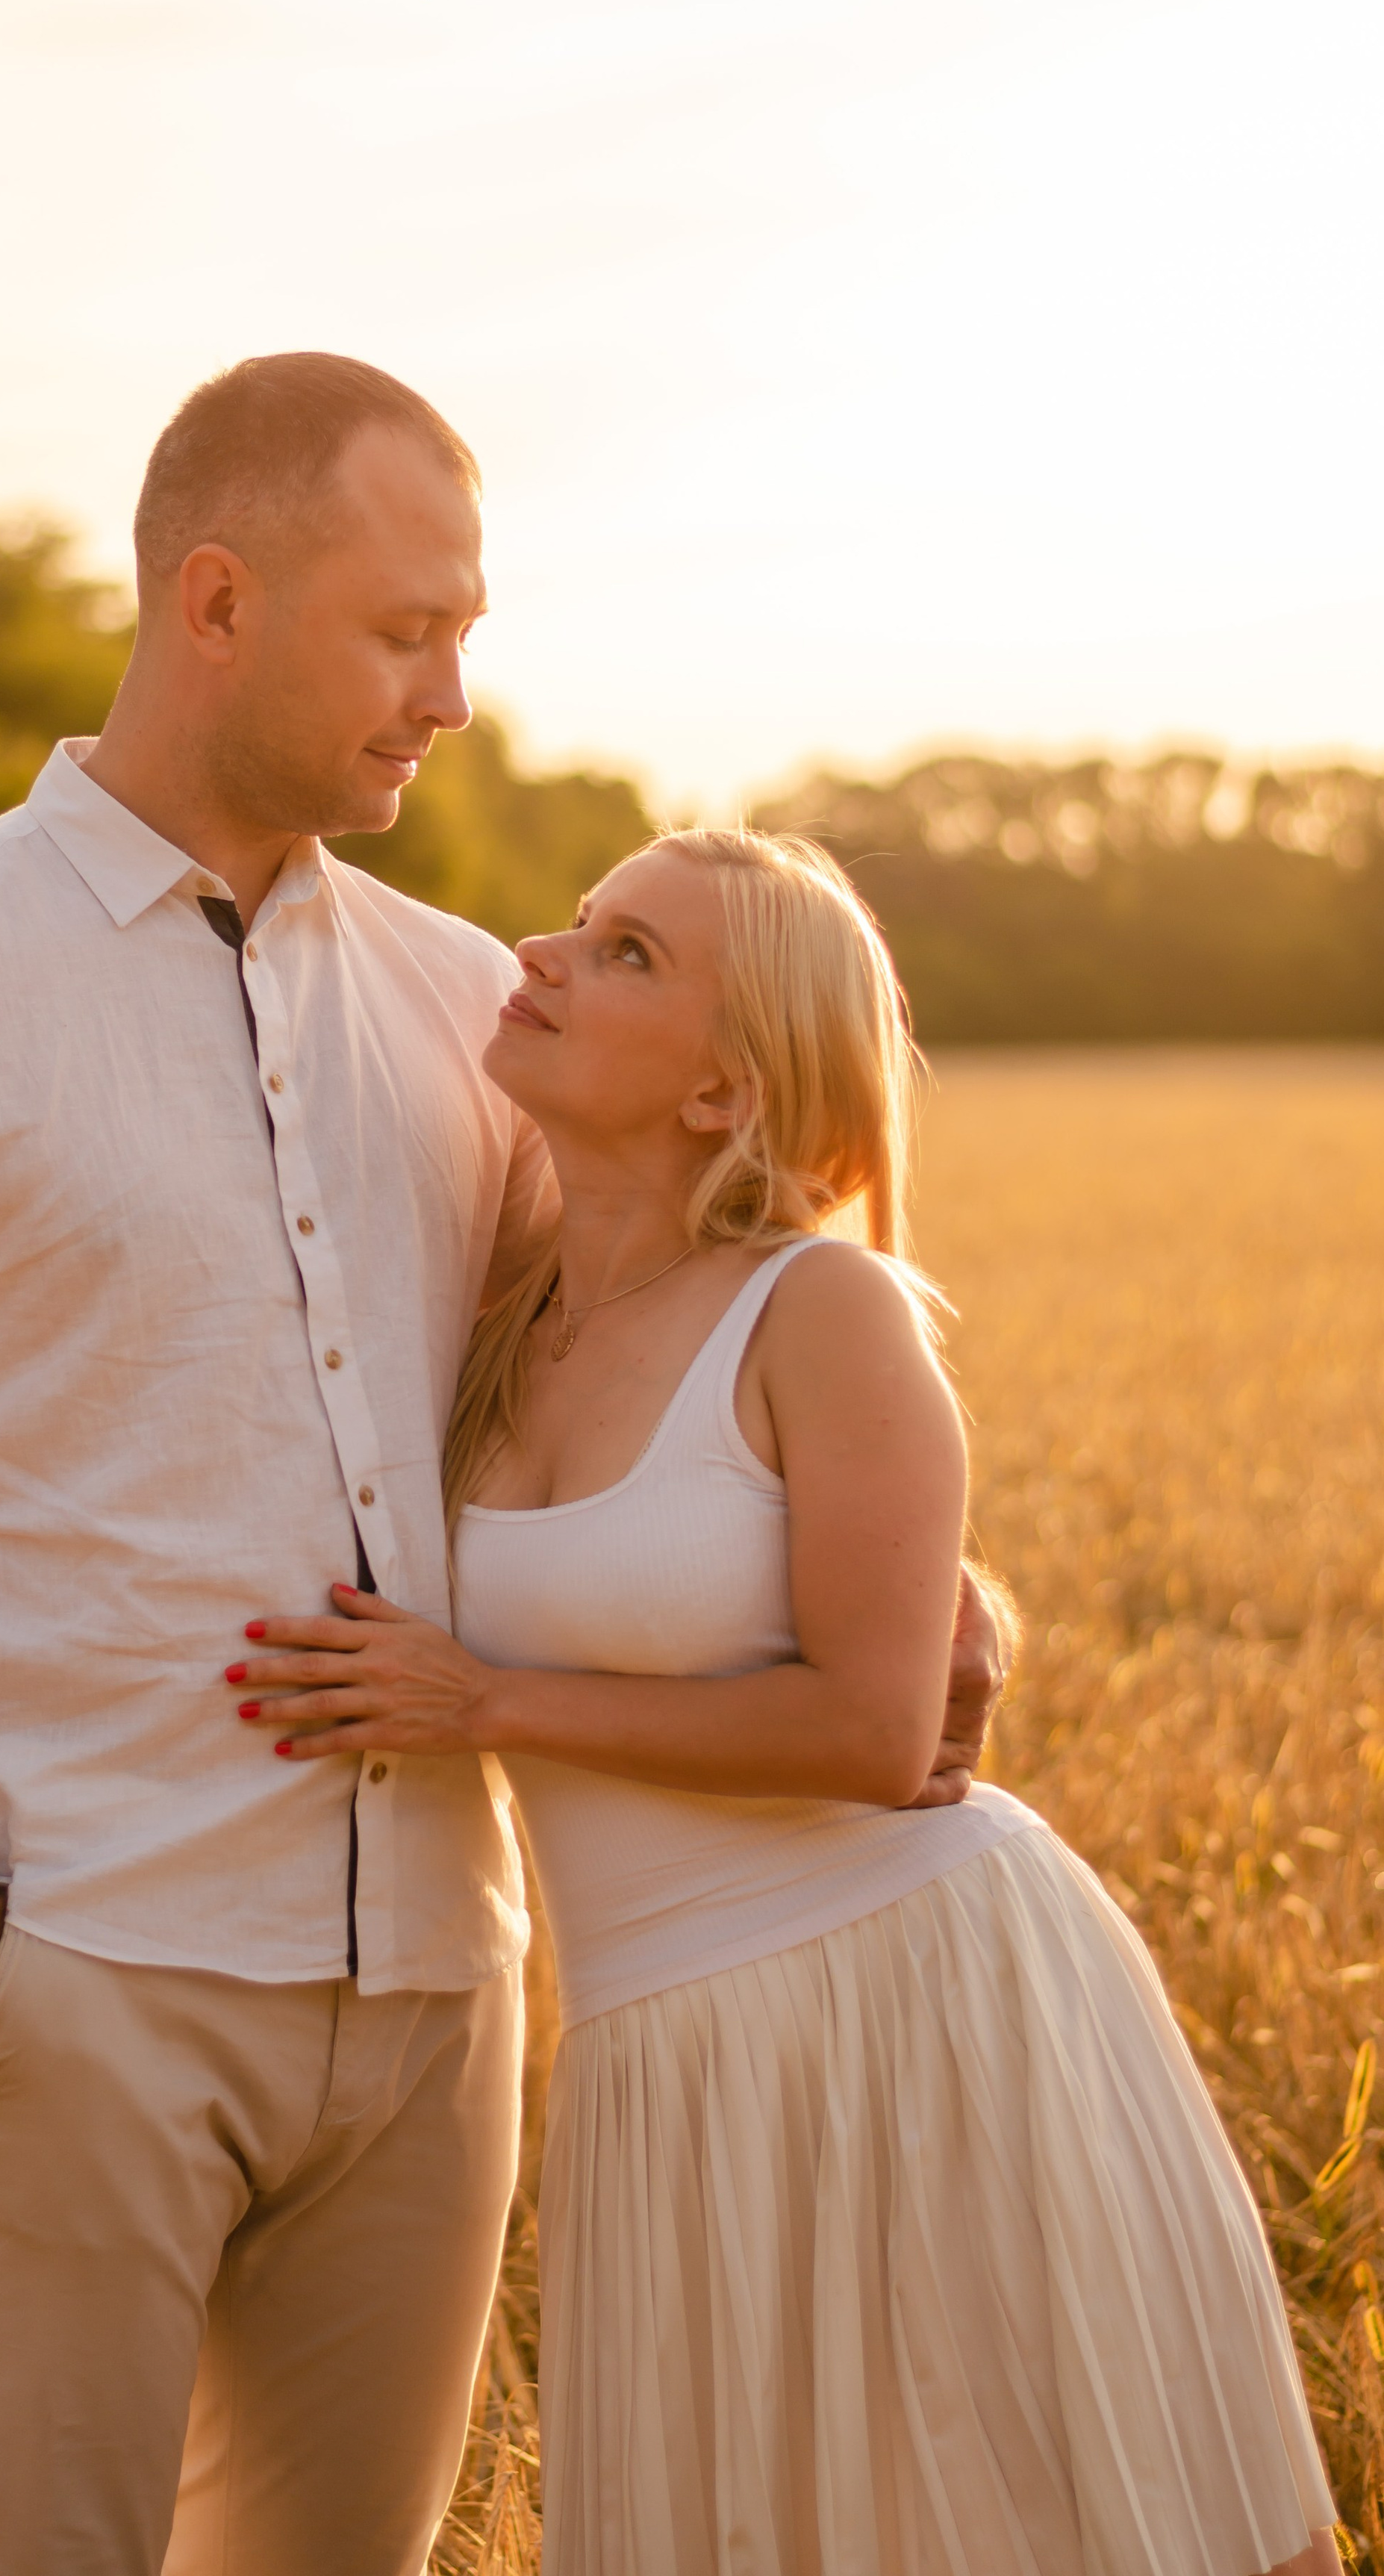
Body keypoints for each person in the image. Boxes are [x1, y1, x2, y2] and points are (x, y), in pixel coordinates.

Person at [0, 353, 1002, 2576]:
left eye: (471, 627)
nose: (454, 691)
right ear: (219, 602)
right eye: (406, 628)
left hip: (440, 1999)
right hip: (75, 1977)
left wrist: (946, 1594)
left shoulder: (472, 1009)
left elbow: (688, 1364)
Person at [235, 824, 1340, 2576]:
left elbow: (874, 1734)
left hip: (908, 2004)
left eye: (626, 955)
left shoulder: (819, 1310)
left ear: (717, 1094)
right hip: (666, 2056)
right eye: (583, 918)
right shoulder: (487, 1319)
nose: (537, 950)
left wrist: (481, 1700)